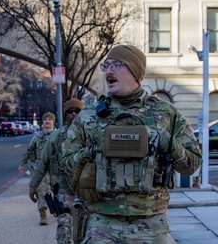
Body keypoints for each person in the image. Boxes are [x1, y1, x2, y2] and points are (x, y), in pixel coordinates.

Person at [62, 45, 202, 244]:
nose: (109, 71)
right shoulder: (88, 116)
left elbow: (193, 164)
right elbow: (66, 163)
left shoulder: (165, 114)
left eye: (117, 65)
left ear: (135, 71)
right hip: (102, 221)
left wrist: (166, 142)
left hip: (149, 223)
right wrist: (91, 152)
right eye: (106, 66)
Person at [29, 99, 84, 243]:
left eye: (77, 111)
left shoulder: (91, 134)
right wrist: (33, 185)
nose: (73, 114)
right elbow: (43, 162)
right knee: (64, 226)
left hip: (86, 190)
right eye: (70, 112)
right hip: (64, 189)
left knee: (84, 230)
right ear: (65, 114)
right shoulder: (56, 136)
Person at [19, 112, 56, 225]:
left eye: (50, 119)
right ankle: (43, 215)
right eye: (45, 119)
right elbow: (29, 151)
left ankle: (56, 208)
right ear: (43, 122)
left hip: (56, 169)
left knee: (58, 191)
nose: (47, 121)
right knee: (41, 191)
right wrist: (22, 164)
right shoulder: (37, 137)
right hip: (41, 169)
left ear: (53, 122)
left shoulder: (59, 135)